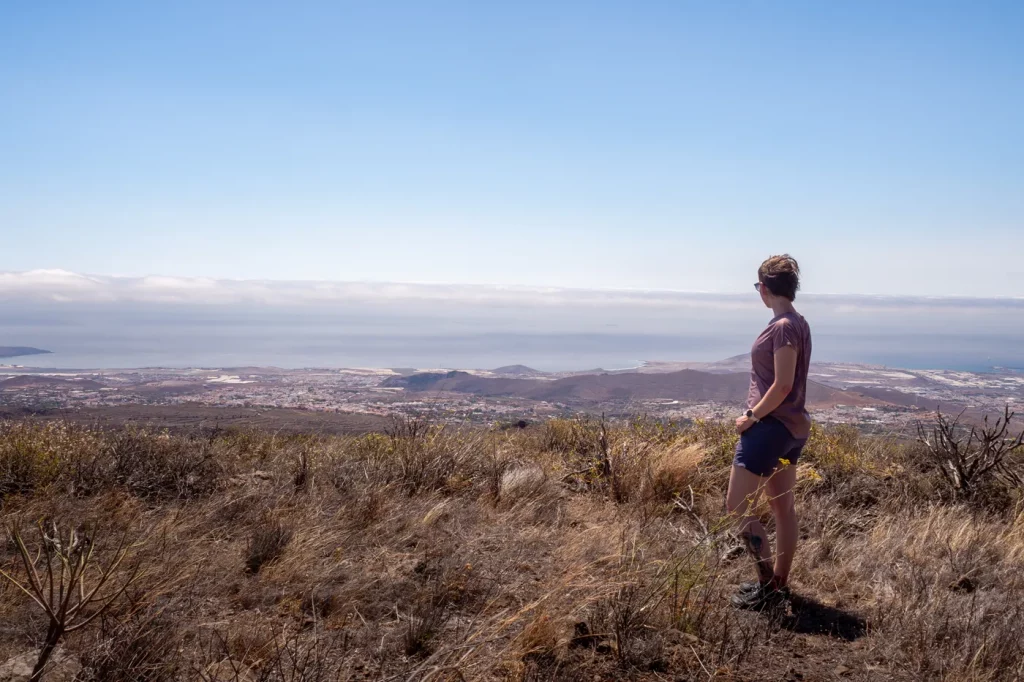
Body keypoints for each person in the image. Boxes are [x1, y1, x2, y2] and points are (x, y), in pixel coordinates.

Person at [726, 254, 812, 609]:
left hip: (771, 428)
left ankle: (766, 587)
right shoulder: (798, 322)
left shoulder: (781, 328)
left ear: (763, 288)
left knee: (735, 508)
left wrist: (751, 416)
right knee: (783, 509)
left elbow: (781, 384)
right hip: (793, 429)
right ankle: (777, 585)